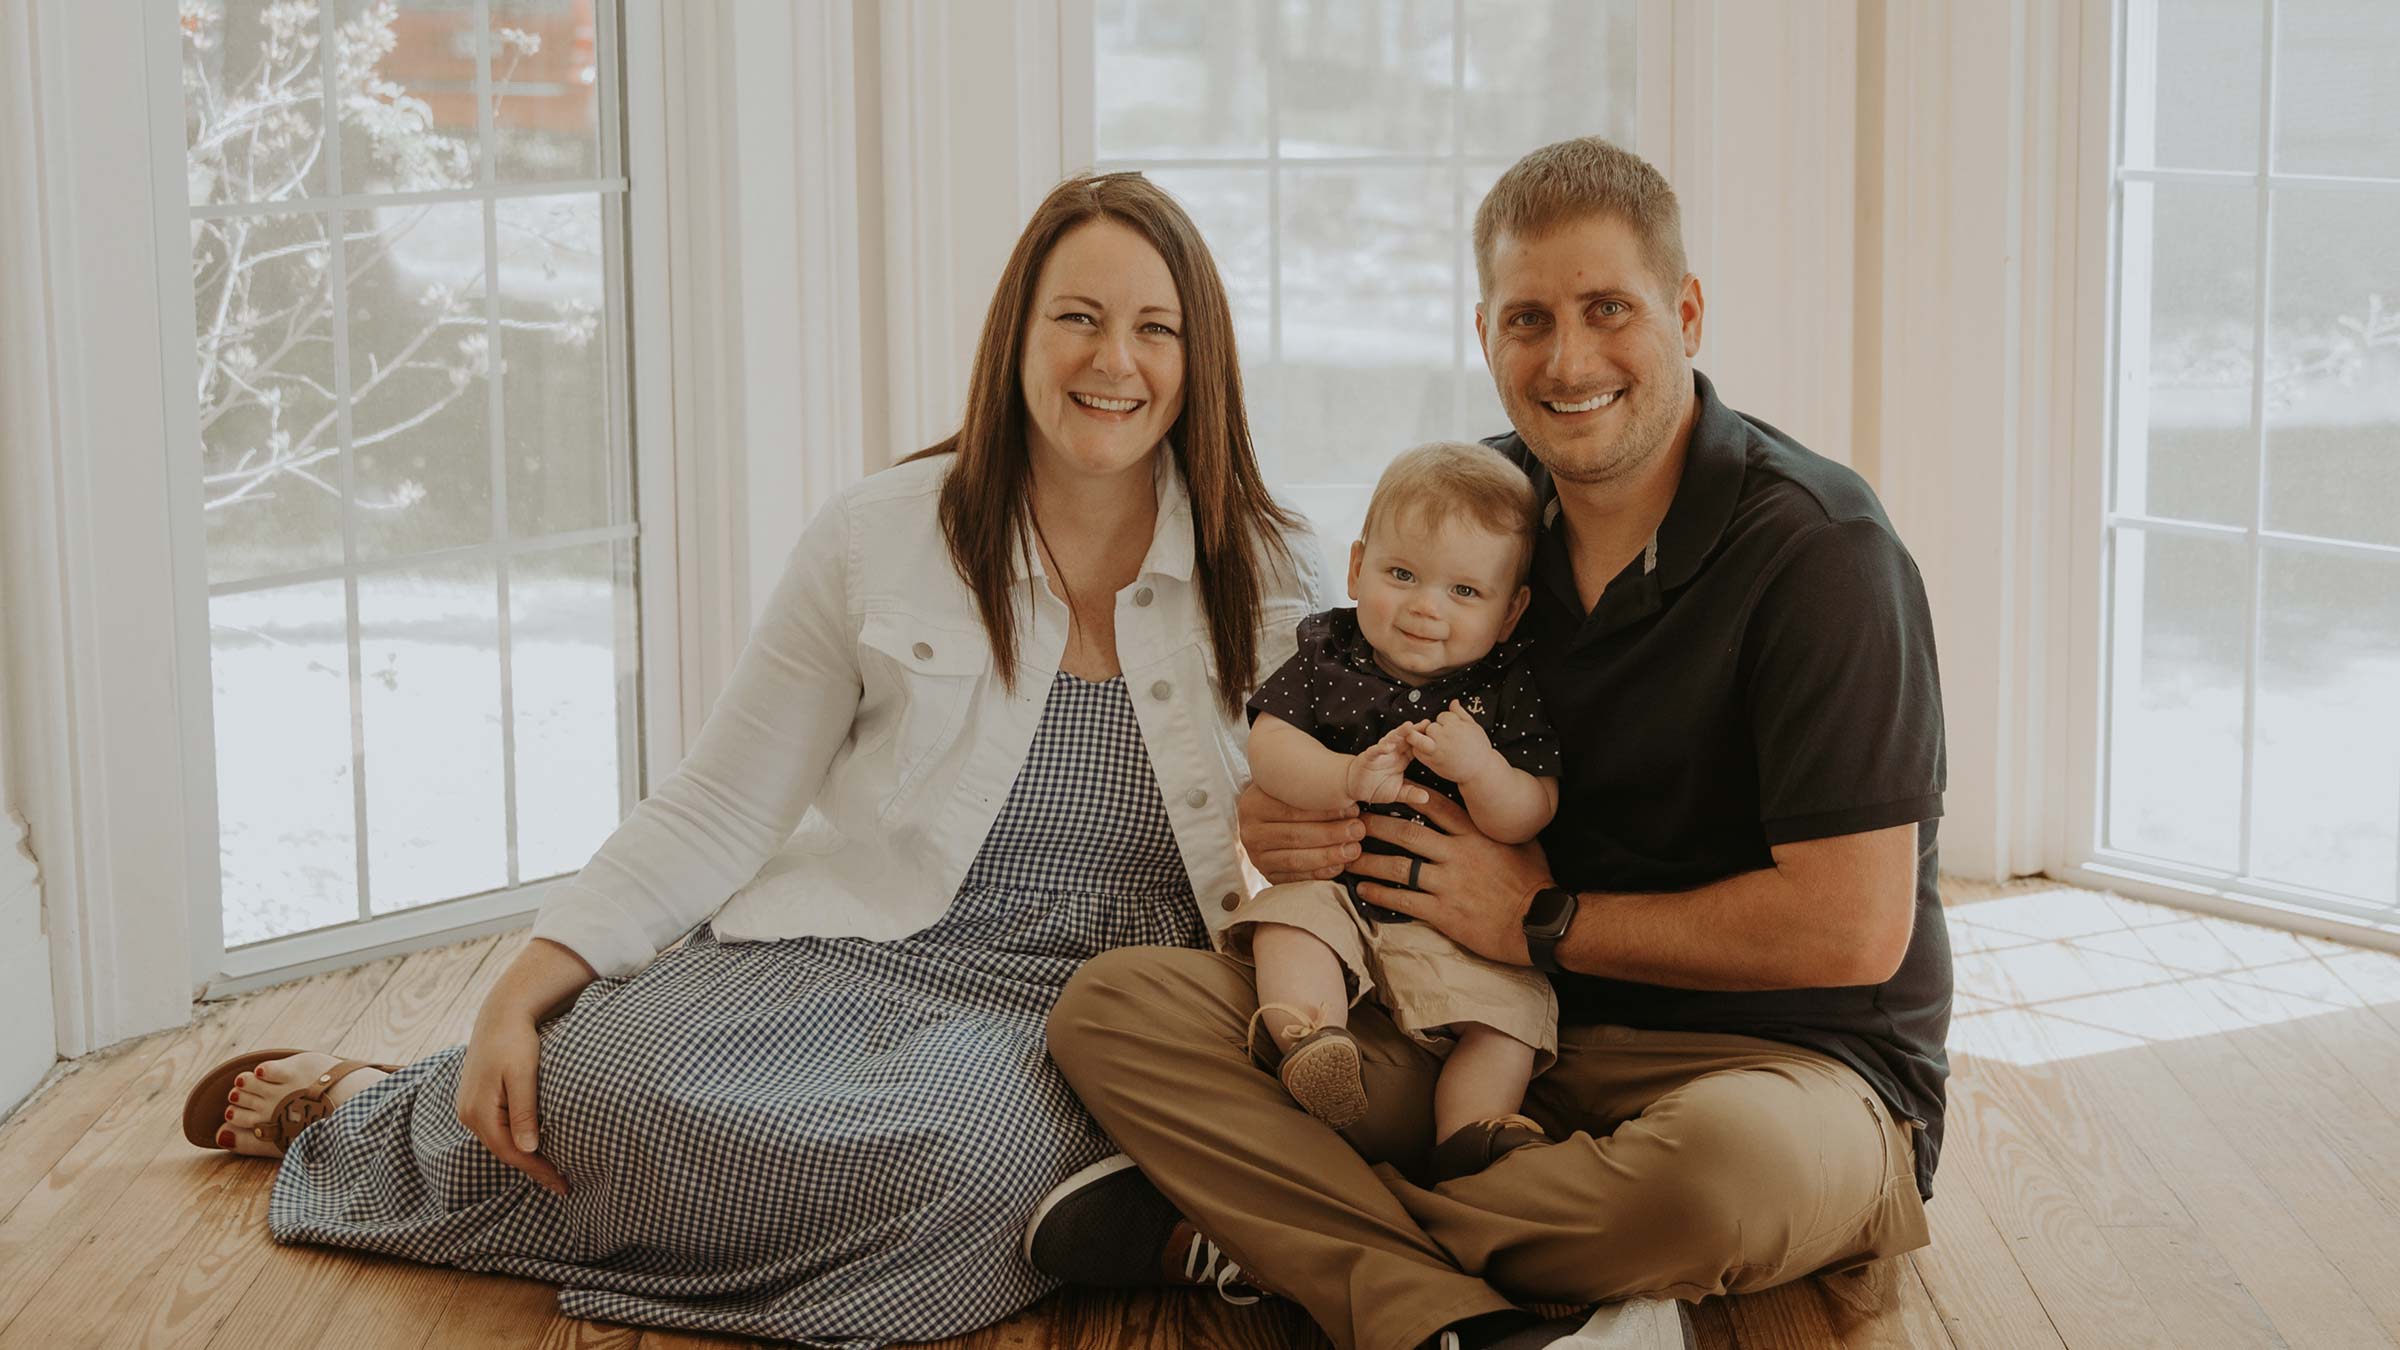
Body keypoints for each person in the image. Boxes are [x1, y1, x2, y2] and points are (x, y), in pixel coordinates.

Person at [180, 171, 1324, 1346]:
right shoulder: (880, 534)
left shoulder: (1277, 573)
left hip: (1102, 1000)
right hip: (861, 943)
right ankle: (374, 1107)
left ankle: (1086, 1209)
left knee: (964, 1170)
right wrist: (522, 988)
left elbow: (1327, 836)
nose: (1112, 362)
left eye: (1154, 329)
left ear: (1201, 359)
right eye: (1077, 317)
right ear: (1016, 337)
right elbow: (723, 800)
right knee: (589, 1086)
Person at [1034, 136, 1950, 1350]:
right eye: (1528, 320)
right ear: (1484, 335)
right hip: (1491, 1034)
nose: (1567, 360)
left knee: (1716, 1181)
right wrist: (1298, 817)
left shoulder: (1822, 553)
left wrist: (1542, 919)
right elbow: (1336, 717)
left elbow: (1851, 926)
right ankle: (1459, 1300)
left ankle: (1274, 1237)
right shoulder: (1476, 522)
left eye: (1608, 309)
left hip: (1781, 1073)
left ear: (1684, 311)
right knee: (1113, 1009)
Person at [1227, 442, 1564, 1184]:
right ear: (1356, 569)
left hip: (1456, 934)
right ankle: (1313, 1043)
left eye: (1464, 593)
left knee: (1509, 1015)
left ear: (1511, 614)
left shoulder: (1504, 691)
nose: (1424, 607)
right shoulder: (1327, 655)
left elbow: (1532, 809)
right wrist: (1344, 775)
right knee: (1288, 921)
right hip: (1340, 896)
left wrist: (1480, 772)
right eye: (1402, 574)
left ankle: (1471, 1142)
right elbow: (1268, 745)